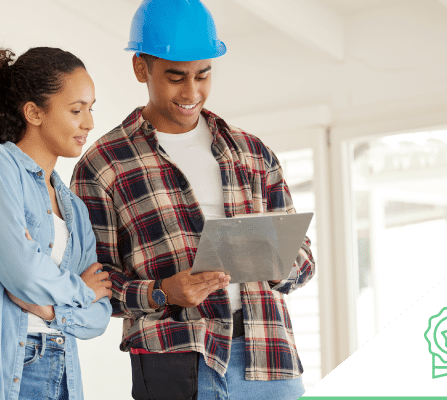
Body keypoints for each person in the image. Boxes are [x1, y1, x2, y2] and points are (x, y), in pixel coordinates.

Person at [71, 1, 315, 399]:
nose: (191, 92)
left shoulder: (253, 153)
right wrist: (163, 292)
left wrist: (273, 261)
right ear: (140, 68)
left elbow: (304, 260)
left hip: (268, 358)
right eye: (176, 77)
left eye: (203, 75)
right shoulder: (103, 165)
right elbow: (94, 282)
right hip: (175, 359)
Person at [0, 46, 113, 400]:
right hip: (9, 371)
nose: (89, 123)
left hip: (63, 371)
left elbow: (101, 312)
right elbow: (22, 272)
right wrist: (80, 292)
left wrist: (50, 310)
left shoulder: (76, 209)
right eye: (76, 110)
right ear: (34, 112)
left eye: (91, 109)